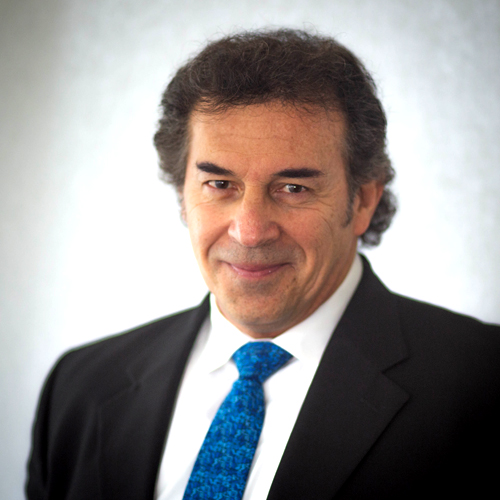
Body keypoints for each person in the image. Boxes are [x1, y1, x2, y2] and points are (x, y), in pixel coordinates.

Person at [27, 29, 500, 500]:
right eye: (219, 185)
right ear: (182, 195)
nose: (249, 231)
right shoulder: (80, 387)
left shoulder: (482, 382)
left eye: (293, 188)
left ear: (363, 202)